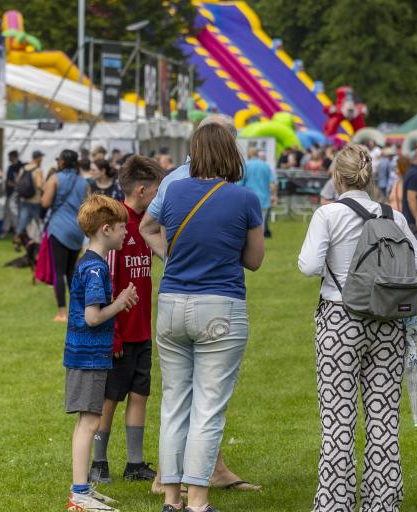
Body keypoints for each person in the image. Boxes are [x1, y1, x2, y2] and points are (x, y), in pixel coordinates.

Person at [298, 144, 417, 511]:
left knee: (338, 419)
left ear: (337, 176)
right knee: (384, 418)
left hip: (340, 319)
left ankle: (335, 503)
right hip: (388, 321)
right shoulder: (394, 216)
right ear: (370, 177)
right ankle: (382, 501)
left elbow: (308, 266)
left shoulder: (328, 215)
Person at [140, 114, 264, 495]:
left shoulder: (173, 191)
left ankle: (171, 494)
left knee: (174, 403)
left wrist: (172, 258)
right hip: (219, 303)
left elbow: (148, 226)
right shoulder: (243, 198)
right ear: (232, 152)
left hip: (172, 301)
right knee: (208, 407)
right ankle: (197, 498)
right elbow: (254, 260)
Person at [89, 156, 163, 485]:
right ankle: (99, 462)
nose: (160, 198)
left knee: (139, 393)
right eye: (157, 191)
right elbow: (108, 282)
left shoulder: (147, 224)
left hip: (142, 329)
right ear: (142, 189)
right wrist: (114, 334)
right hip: (119, 332)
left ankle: (134, 463)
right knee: (110, 399)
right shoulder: (119, 224)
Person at [64, 195, 138, 512]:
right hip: (88, 356)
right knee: (89, 424)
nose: (127, 233)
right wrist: (120, 303)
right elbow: (93, 317)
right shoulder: (96, 269)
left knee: (88, 421)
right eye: (122, 227)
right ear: (106, 229)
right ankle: (79, 494)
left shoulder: (88, 262)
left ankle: (82, 490)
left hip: (87, 355)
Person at [41, 149, 90, 322]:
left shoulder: (54, 179)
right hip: (76, 230)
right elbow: (88, 206)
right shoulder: (83, 182)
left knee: (58, 272)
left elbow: (45, 202)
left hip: (58, 228)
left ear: (61, 162)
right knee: (71, 271)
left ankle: (62, 312)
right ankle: (77, 310)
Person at [239, 147, 277, 237]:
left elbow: (239, 184)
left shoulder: (246, 165)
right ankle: (260, 244)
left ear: (249, 155)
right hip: (264, 199)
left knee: (247, 224)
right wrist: (274, 196)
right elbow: (272, 184)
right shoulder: (265, 166)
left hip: (248, 200)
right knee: (261, 223)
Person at [14, 150, 44, 242]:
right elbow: (39, 185)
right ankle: (42, 239)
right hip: (35, 200)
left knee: (23, 220)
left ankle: (17, 237)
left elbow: (18, 182)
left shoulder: (23, 168)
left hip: (24, 199)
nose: (42, 159)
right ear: (38, 158)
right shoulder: (38, 170)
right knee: (39, 221)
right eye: (41, 157)